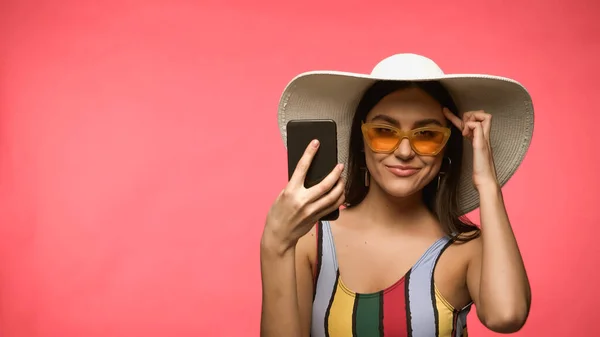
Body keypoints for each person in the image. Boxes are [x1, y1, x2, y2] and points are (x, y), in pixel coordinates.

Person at [260, 54, 533, 337]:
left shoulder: (466, 248)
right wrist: (274, 245)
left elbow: (508, 316)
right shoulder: (311, 240)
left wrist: (487, 182)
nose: (404, 152)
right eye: (384, 131)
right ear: (361, 141)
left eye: (426, 134)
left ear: (446, 147)